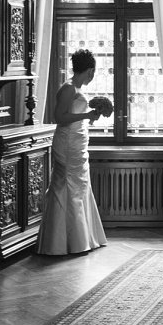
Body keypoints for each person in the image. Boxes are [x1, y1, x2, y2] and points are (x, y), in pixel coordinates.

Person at [36, 49, 108, 255]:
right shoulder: (68, 88)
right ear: (90, 70)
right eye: (93, 72)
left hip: (77, 143)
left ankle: (80, 238)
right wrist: (86, 115)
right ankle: (61, 242)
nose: (92, 76)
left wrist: (89, 117)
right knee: (66, 185)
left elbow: (73, 115)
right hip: (67, 144)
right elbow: (59, 117)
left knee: (79, 186)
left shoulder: (76, 88)